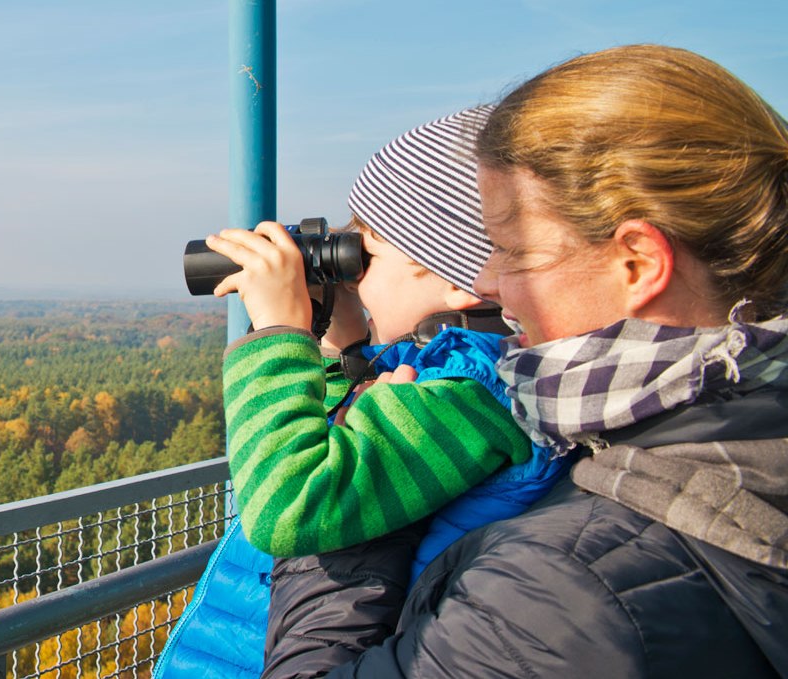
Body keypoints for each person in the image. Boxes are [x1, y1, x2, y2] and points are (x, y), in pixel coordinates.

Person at [262, 44, 788, 678]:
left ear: (639, 263)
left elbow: (292, 513)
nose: (487, 280)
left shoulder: (563, 591)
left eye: (511, 250)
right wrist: (344, 353)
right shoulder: (727, 428)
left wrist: (362, 506)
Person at [155, 107, 565, 677]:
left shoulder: (471, 392)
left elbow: (288, 508)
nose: (352, 277)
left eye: (365, 257)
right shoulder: (444, 376)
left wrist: (280, 334)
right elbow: (335, 450)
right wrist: (340, 345)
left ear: (458, 281)